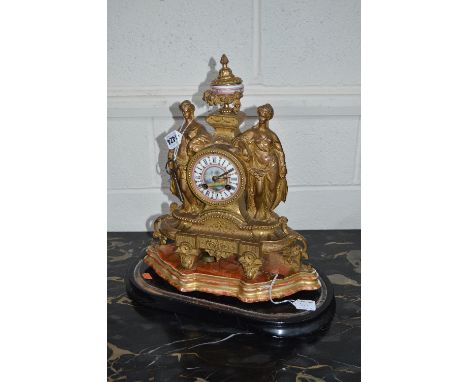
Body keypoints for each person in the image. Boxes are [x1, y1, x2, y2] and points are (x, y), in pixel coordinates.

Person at [233, 104, 287, 221]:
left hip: (272, 164)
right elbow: (237, 141)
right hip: (257, 166)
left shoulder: (271, 135)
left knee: (272, 189)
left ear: (268, 117)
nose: (263, 116)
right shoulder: (252, 132)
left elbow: (279, 151)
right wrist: (246, 150)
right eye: (261, 114)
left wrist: (282, 167)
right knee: (258, 191)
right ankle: (257, 212)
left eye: (265, 115)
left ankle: (267, 211)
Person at [167, 100, 211, 213]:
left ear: (191, 111)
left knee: (186, 187)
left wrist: (193, 140)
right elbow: (173, 145)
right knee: (181, 188)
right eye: (183, 111)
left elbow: (207, 139)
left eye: (186, 111)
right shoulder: (180, 128)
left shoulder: (197, 127)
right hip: (179, 161)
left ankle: (195, 207)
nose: (184, 114)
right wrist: (170, 157)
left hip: (189, 163)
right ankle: (187, 207)